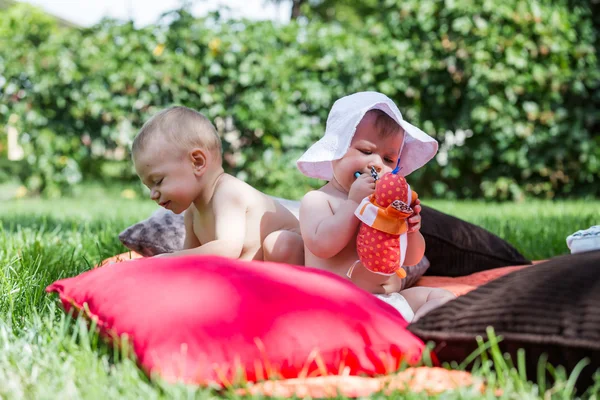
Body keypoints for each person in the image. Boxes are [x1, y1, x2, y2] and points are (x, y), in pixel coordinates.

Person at [297, 92, 455, 321]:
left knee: (441, 297)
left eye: (389, 160)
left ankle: (418, 334)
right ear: (336, 151)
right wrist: (353, 204)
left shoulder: (386, 205)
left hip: (390, 301)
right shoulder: (319, 201)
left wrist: (410, 229)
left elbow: (411, 259)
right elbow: (322, 246)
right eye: (366, 151)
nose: (377, 164)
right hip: (340, 303)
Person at [132, 106, 304, 265]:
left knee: (281, 244)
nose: (152, 195)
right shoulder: (192, 213)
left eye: (158, 181)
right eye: (149, 187)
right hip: (255, 274)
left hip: (298, 259)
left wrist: (166, 258)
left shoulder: (227, 192)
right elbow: (189, 259)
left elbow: (227, 249)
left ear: (197, 162)